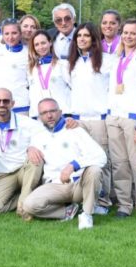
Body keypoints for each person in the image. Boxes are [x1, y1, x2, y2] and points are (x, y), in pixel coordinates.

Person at [22, 98, 106, 230]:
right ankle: (67, 211)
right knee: (29, 205)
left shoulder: (75, 130)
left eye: (52, 111)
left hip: (78, 184)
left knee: (95, 170)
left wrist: (73, 165)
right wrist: (29, 148)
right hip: (55, 186)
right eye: (44, 113)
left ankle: (87, 214)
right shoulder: (38, 136)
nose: (49, 115)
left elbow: (100, 156)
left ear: (60, 112)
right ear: (39, 117)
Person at [106, 19, 136, 223]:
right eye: (125, 32)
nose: (128, 36)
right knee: (119, 165)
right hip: (114, 118)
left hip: (134, 120)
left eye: (132, 33)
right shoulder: (116, 59)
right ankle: (124, 205)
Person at [67, 22, 114, 214]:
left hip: (98, 119)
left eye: (86, 35)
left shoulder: (107, 61)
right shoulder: (72, 63)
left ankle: (103, 201)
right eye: (79, 36)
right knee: (79, 159)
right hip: (78, 120)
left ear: (94, 38)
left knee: (102, 161)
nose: (82, 39)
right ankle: (84, 199)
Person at [0, 88, 44, 216]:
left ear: (12, 103)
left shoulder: (27, 123)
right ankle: (32, 194)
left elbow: (44, 134)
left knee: (35, 159)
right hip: (2, 175)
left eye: (6, 101)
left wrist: (33, 146)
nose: (1, 104)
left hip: (23, 170)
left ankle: (23, 208)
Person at [0, 19, 29, 114]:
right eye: (6, 34)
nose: (10, 37)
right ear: (2, 35)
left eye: (14, 33)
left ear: (20, 34)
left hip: (20, 106)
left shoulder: (28, 53)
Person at [27, 30, 71, 118]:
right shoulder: (31, 68)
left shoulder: (63, 64)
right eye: (37, 44)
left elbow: (74, 88)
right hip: (38, 116)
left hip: (61, 114)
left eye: (43, 43)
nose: (40, 47)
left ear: (50, 43)